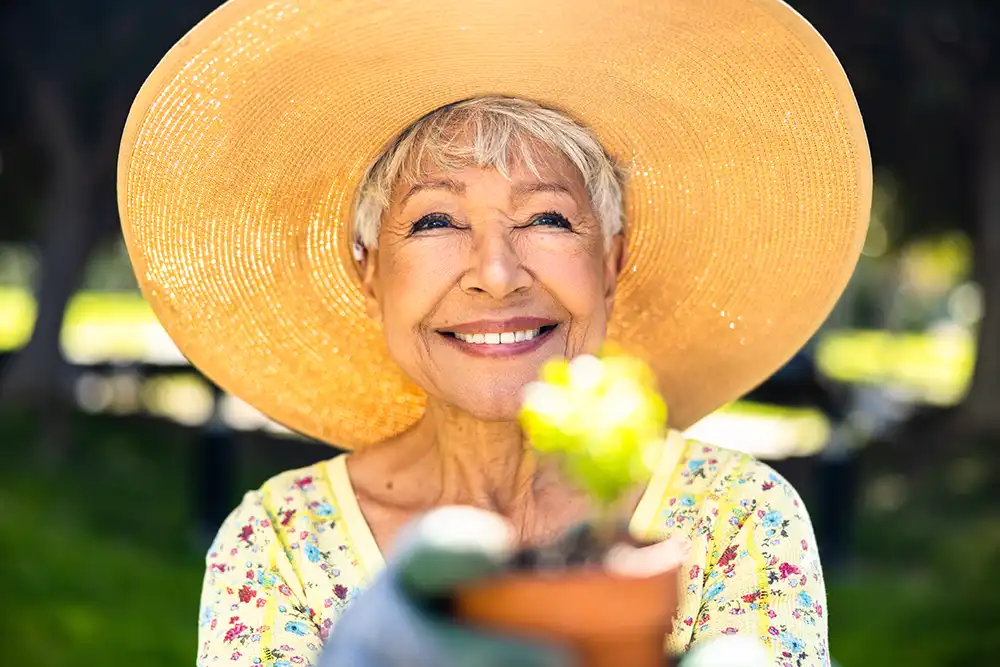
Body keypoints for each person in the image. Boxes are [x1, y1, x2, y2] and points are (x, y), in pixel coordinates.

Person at [116, 0, 871, 665]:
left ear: (611, 258)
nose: (497, 274)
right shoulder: (278, 541)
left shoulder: (738, 518)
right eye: (436, 219)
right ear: (370, 269)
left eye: (547, 216)